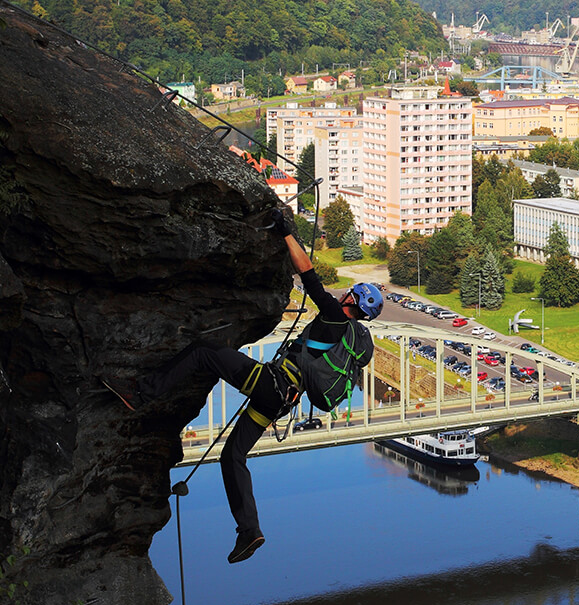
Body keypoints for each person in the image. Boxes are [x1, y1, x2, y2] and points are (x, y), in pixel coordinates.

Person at [103, 209, 382, 563]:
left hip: (272, 385)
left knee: (204, 351)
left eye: (349, 294)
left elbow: (308, 274)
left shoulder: (333, 317)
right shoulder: (351, 337)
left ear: (351, 301)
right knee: (232, 455)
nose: (343, 295)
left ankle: (139, 393)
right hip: (283, 400)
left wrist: (284, 233)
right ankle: (249, 530)